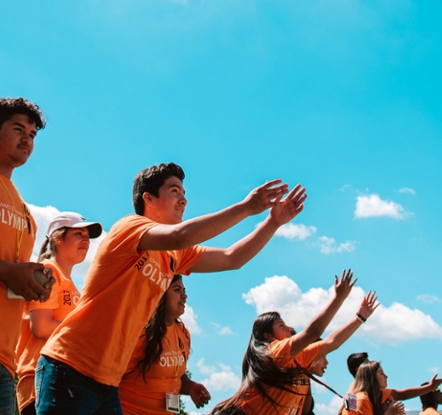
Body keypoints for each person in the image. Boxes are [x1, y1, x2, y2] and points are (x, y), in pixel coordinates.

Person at [36, 162, 307, 414]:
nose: (184, 200)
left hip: (107, 380)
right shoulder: (130, 227)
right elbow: (182, 234)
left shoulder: (175, 253)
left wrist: (272, 222)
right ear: (149, 199)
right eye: (174, 191)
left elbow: (232, 258)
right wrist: (246, 207)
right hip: (69, 365)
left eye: (184, 193)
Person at [212, 270, 379, 415]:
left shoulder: (297, 362)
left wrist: (360, 317)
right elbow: (314, 332)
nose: (289, 328)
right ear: (268, 336)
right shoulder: (275, 351)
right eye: (281, 326)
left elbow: (331, 342)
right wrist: (338, 298)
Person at [0, 97, 51, 415]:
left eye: (32, 134)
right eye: (19, 129)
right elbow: (8, 271)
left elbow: (13, 275)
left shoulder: (26, 212)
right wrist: (9, 271)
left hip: (5, 364)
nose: (27, 139)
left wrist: (35, 284)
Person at [15, 212, 101, 415]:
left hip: (63, 381)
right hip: (42, 379)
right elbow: (42, 327)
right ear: (57, 237)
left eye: (87, 236)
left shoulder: (72, 285)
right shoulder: (47, 270)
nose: (86, 240)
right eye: (79, 233)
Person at [119, 275, 210, 414]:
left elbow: (172, 375)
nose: (184, 295)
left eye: (184, 291)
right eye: (177, 289)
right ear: (159, 293)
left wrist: (190, 387)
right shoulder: (140, 333)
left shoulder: (183, 333)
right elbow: (110, 379)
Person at [345, 354, 442, 403]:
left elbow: (403, 394)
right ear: (358, 370)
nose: (372, 365)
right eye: (367, 363)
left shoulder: (375, 392)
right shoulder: (356, 395)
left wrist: (430, 387)